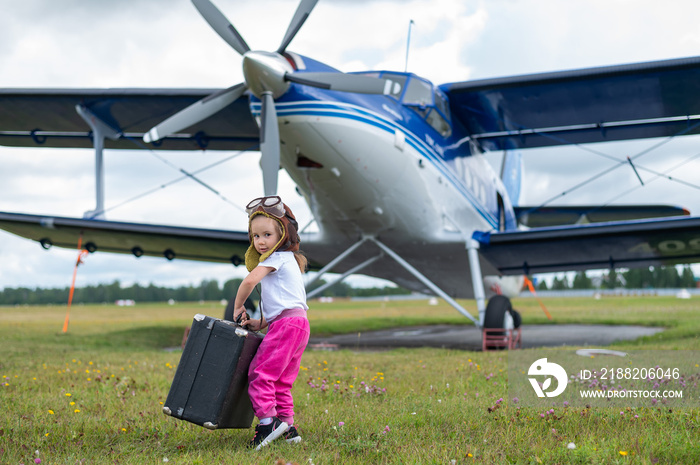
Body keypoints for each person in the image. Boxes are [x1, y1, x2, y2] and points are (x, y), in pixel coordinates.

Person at [233, 195, 310, 450]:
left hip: (287, 327)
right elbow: (285, 302)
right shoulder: (289, 261)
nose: (260, 242)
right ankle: (288, 428)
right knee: (281, 380)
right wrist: (261, 323)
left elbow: (248, 281)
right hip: (297, 324)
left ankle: (267, 424)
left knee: (260, 373)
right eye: (255, 236)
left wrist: (238, 306)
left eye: (267, 235)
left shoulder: (277, 258)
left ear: (282, 235)